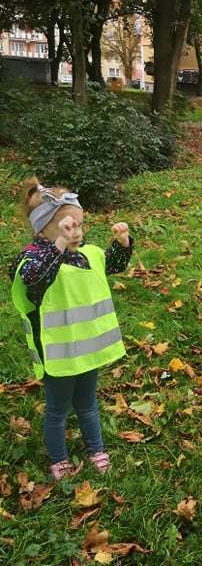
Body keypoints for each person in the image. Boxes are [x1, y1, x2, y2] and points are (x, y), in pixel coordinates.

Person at [10, 178, 132, 478]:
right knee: (58, 409)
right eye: (67, 226)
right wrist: (59, 246)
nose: (76, 232)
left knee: (88, 404)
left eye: (79, 225)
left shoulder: (84, 254)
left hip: (86, 349)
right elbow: (35, 278)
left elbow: (111, 264)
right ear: (42, 229)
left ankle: (96, 449)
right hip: (58, 355)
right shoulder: (32, 259)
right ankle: (59, 458)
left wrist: (123, 243)